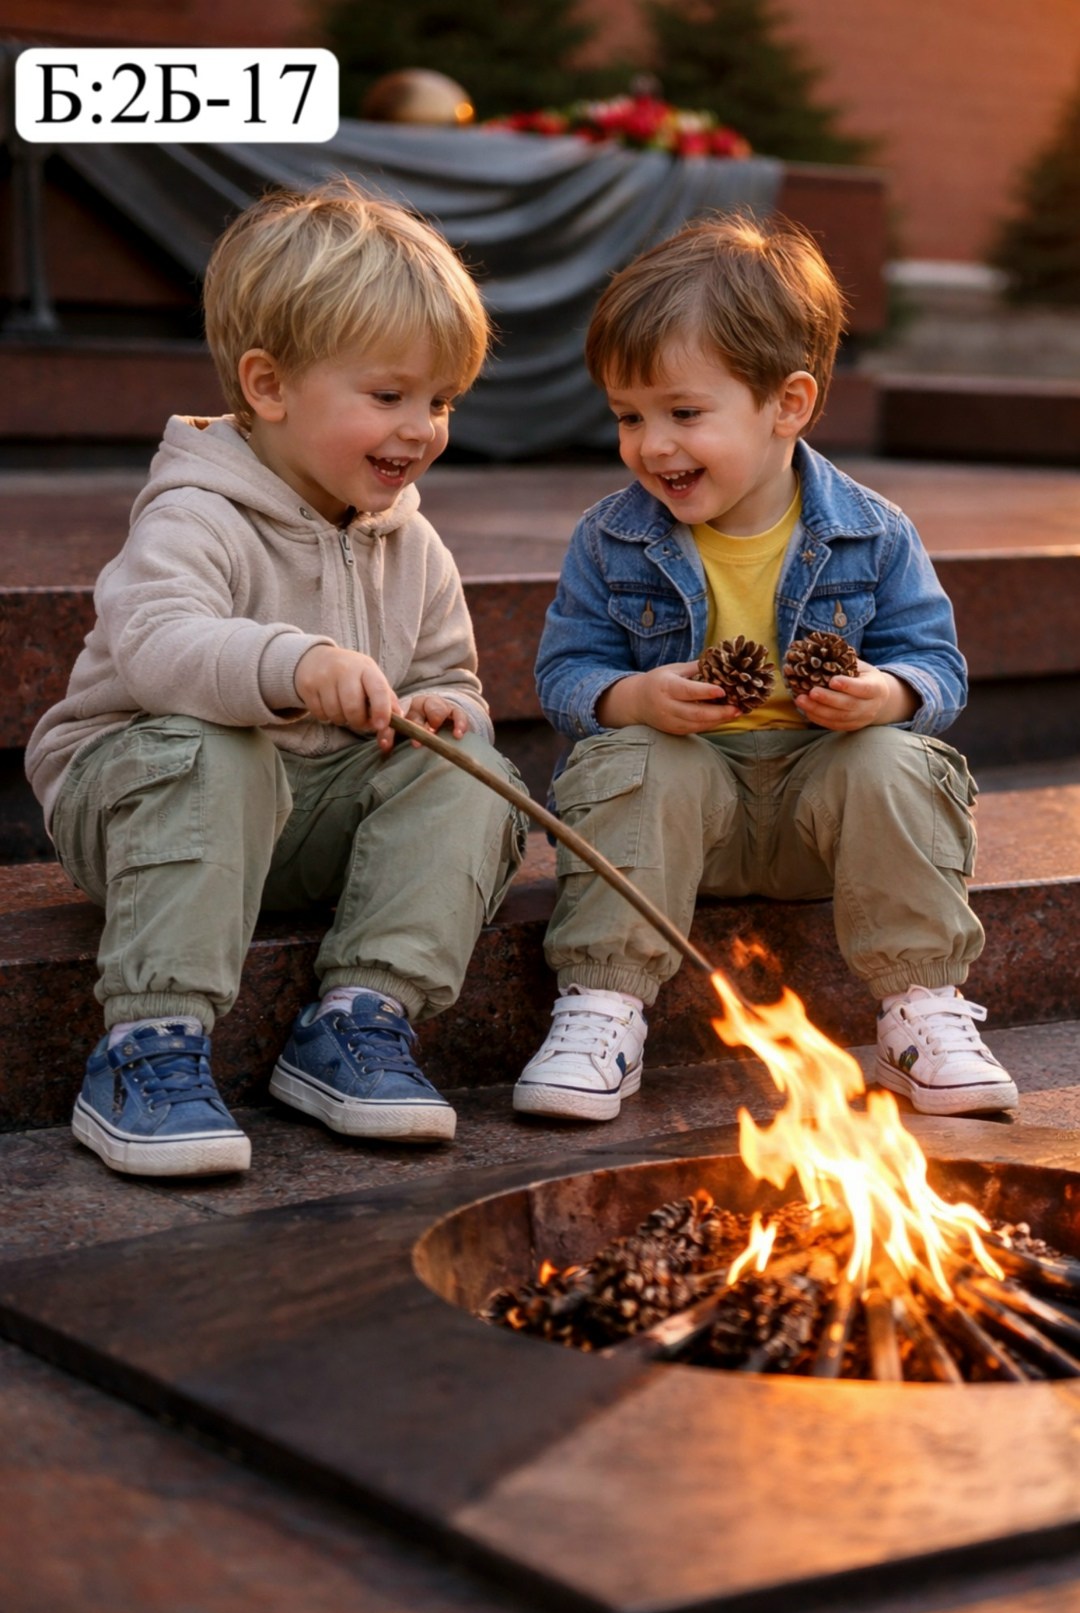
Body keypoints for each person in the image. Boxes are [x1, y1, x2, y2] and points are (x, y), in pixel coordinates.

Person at [26, 178, 528, 1177]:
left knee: (472, 763)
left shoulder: (409, 539)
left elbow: (452, 677)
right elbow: (160, 647)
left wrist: (442, 706)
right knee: (219, 747)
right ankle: (146, 1046)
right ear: (267, 387)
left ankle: (359, 1017)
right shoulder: (196, 512)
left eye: (440, 401)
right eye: (388, 397)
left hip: (307, 819)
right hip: (144, 808)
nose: (422, 428)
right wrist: (294, 665)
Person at [514, 212, 1016, 1124]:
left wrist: (889, 695)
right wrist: (634, 697)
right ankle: (603, 1004)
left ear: (788, 404)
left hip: (822, 817)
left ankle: (922, 1007)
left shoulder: (873, 531)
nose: (653, 445)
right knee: (633, 756)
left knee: (896, 759)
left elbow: (936, 665)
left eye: (684, 413)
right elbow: (566, 675)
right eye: (629, 417)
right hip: (683, 822)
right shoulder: (612, 537)